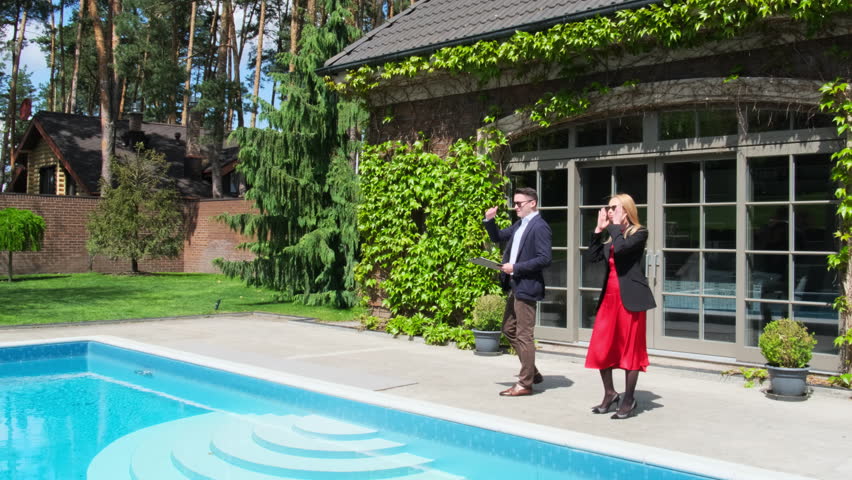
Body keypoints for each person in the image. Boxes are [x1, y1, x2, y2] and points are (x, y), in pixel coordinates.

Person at [585, 193, 656, 419]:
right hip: (609, 299)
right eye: (608, 207)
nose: (609, 211)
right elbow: (592, 257)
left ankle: (628, 399)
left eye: (614, 207)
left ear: (626, 210)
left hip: (631, 299)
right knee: (602, 346)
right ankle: (610, 393)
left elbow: (623, 249)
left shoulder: (640, 233)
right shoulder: (612, 237)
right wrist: (598, 230)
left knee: (630, 350)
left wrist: (614, 227)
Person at [483, 187, 552, 397]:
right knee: (508, 329)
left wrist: (515, 267)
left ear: (533, 203)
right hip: (516, 285)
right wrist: (489, 220)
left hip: (527, 285)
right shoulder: (521, 224)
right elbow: (498, 236)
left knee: (524, 335)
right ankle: (532, 372)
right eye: (514, 203)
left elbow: (545, 258)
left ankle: (525, 384)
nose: (515, 207)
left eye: (519, 203)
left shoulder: (540, 227)